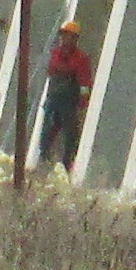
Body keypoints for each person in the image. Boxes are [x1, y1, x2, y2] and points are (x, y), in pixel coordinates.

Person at [37, 19, 92, 173]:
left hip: (69, 104)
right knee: (46, 135)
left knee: (70, 137)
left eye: (69, 36)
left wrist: (82, 103)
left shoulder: (80, 59)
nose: (64, 39)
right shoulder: (54, 54)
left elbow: (84, 83)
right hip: (53, 101)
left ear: (75, 38)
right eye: (63, 35)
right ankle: (44, 164)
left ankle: (66, 167)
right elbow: (50, 73)